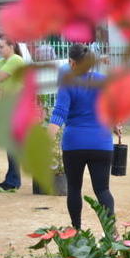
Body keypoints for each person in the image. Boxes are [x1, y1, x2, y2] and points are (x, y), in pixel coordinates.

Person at [47, 44, 117, 229]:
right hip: (101, 143)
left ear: (72, 62)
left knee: (74, 189)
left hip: (74, 144)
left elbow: (59, 113)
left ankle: (76, 231)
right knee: (103, 190)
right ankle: (111, 235)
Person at [0, 38, 26, 191]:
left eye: (1, 47)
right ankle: (12, 178)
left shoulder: (16, 60)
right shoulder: (0, 64)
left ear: (11, 46)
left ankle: (13, 180)